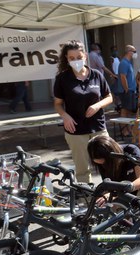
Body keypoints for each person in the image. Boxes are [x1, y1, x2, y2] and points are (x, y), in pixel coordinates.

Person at [53, 39, 113, 183]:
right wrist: (65, 116)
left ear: (85, 55)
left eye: (79, 57)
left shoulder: (97, 75)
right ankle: (86, 198)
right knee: (82, 169)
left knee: (108, 162)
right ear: (66, 59)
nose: (76, 61)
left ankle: (110, 192)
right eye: (72, 58)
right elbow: (58, 104)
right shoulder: (62, 78)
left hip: (98, 127)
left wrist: (97, 106)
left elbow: (109, 97)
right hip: (76, 130)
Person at [87, 135, 140, 206]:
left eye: (105, 162)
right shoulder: (101, 161)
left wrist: (116, 193)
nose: (103, 165)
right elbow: (108, 185)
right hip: (119, 194)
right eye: (99, 163)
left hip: (137, 189)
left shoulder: (131, 150)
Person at [118, 45, 138, 139]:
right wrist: (126, 89)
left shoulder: (128, 63)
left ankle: (128, 129)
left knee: (128, 110)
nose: (135, 53)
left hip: (130, 90)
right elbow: (123, 77)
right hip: (126, 91)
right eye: (134, 51)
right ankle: (124, 131)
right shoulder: (124, 63)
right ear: (129, 51)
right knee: (125, 110)